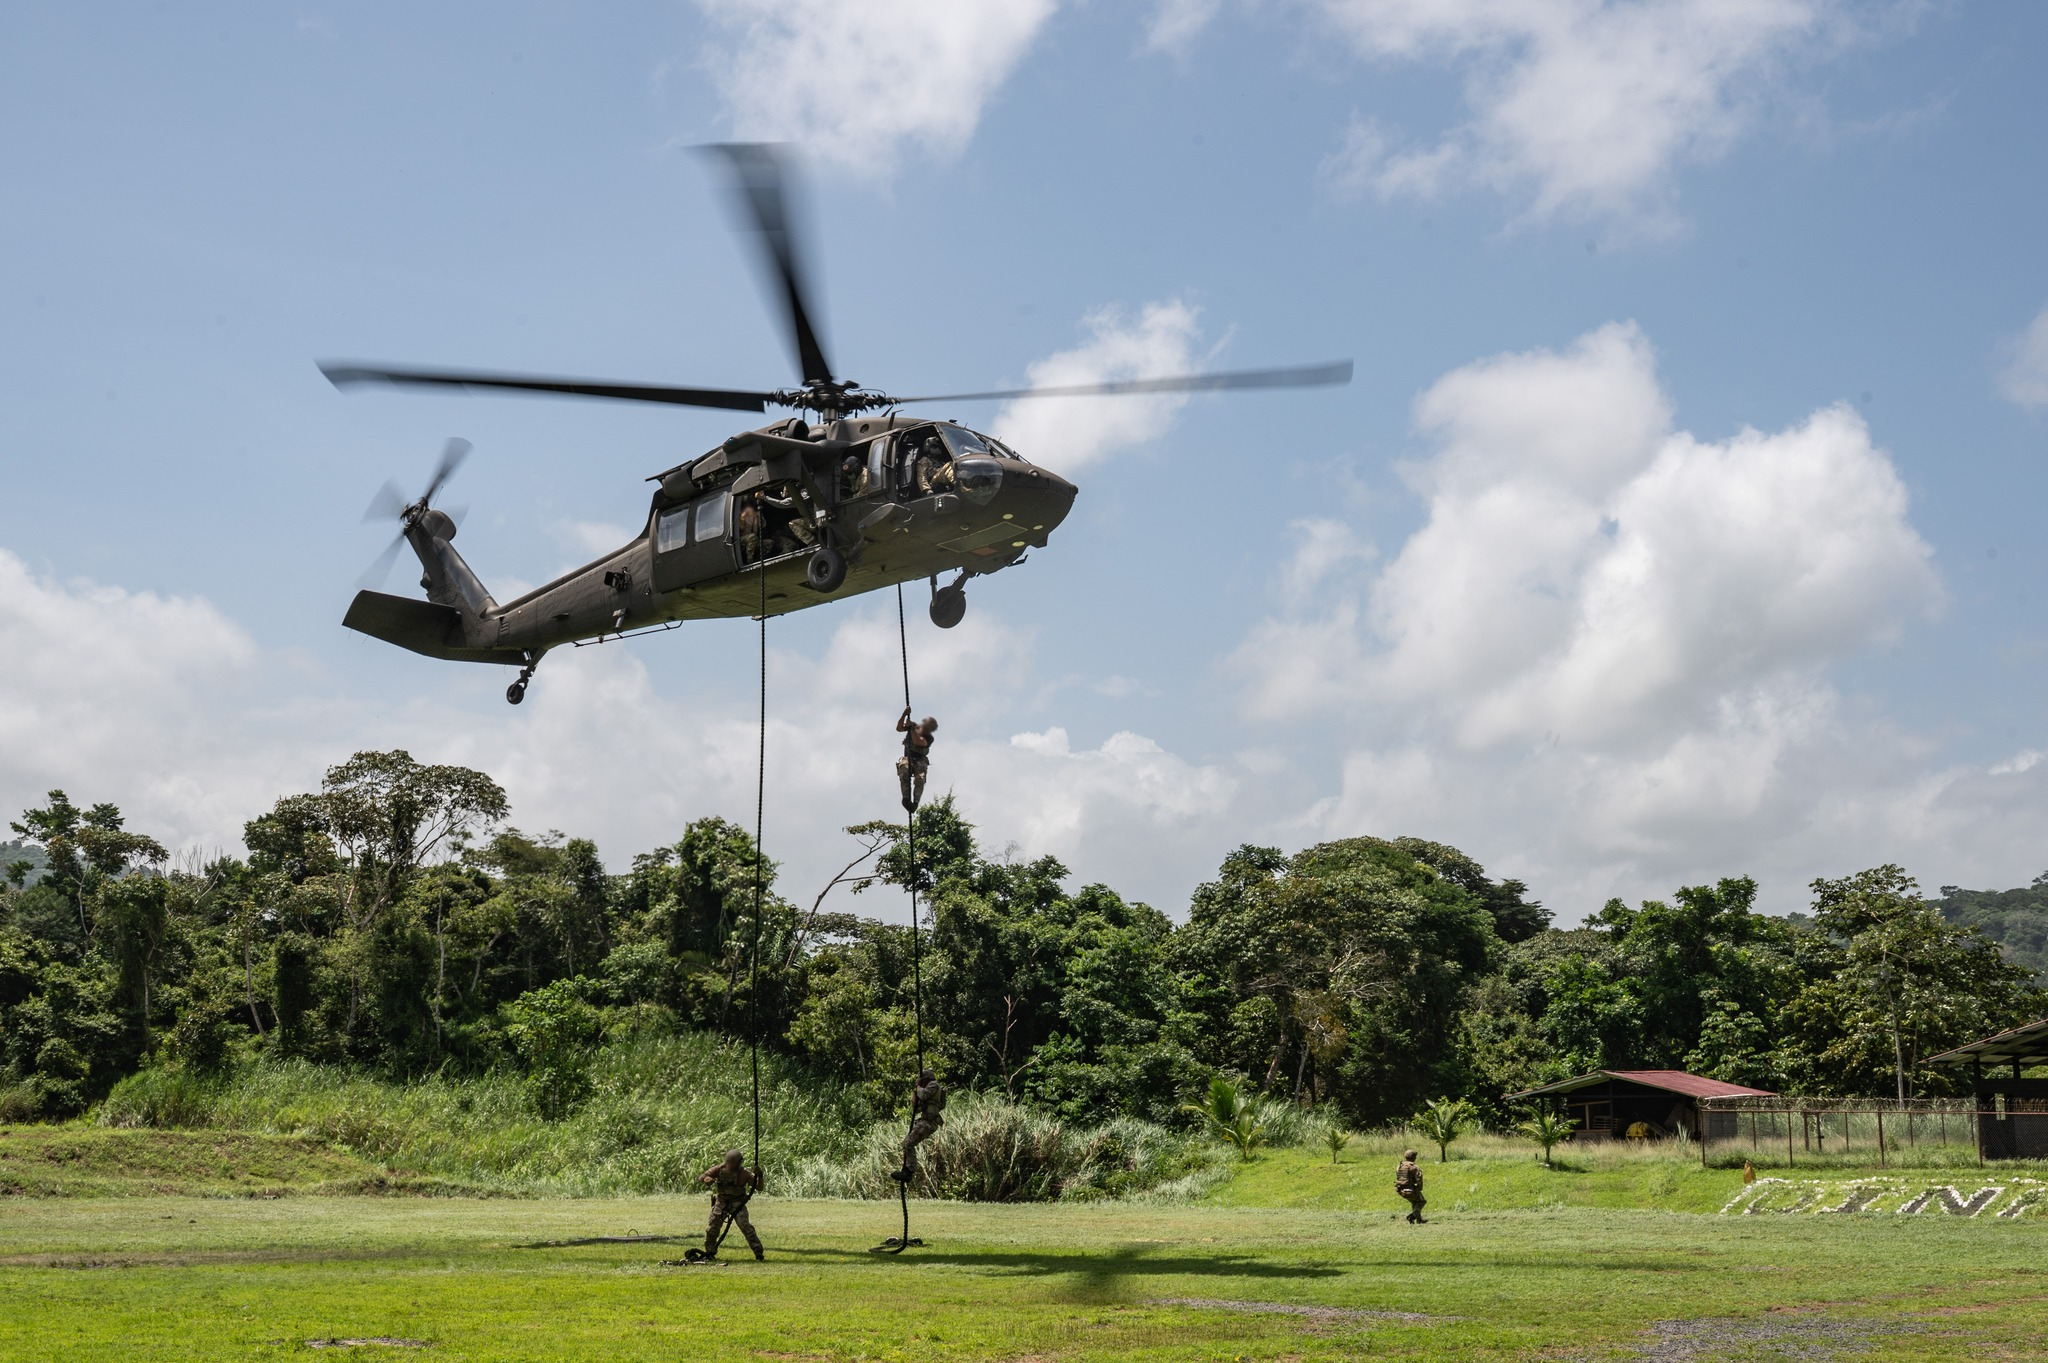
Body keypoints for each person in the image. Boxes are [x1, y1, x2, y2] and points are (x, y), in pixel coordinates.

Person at [699, 1148, 764, 1260]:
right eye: (730, 1163)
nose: (732, 1166)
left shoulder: (745, 1174)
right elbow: (701, 1176)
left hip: (737, 1203)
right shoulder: (718, 1169)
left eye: (735, 1163)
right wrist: (706, 1179)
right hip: (721, 1202)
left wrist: (760, 1176)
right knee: (712, 1228)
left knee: (746, 1227)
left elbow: (759, 1187)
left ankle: (758, 1251)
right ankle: (709, 1252)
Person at [892, 1068, 947, 1183]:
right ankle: (907, 1169)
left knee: (908, 1142)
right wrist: (915, 1092)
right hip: (925, 1121)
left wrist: (918, 1087)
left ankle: (909, 1171)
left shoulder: (933, 1085)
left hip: (929, 1122)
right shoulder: (927, 1092)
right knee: (908, 1143)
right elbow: (915, 1108)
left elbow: (923, 1094)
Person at [895, 707, 937, 811]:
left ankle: (915, 802)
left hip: (920, 760)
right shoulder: (914, 727)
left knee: (920, 779)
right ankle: (905, 798)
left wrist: (911, 728)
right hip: (908, 758)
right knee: (903, 770)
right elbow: (899, 728)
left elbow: (919, 742)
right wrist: (904, 714)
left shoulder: (929, 738)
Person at [1395, 1148, 1426, 1224]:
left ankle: (1419, 1220)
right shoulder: (1414, 1167)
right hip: (1411, 1189)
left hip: (1400, 1189)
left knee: (1415, 1202)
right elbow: (1419, 1178)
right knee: (1422, 1201)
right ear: (1413, 1157)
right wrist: (1419, 1188)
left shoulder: (1400, 1166)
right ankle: (1412, 1216)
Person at [736, 493, 765, 564]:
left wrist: (758, 517)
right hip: (742, 539)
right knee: (752, 537)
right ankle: (749, 561)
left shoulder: (756, 515)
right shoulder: (741, 515)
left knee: (769, 543)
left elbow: (763, 525)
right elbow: (741, 528)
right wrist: (742, 518)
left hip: (754, 540)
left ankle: (759, 561)